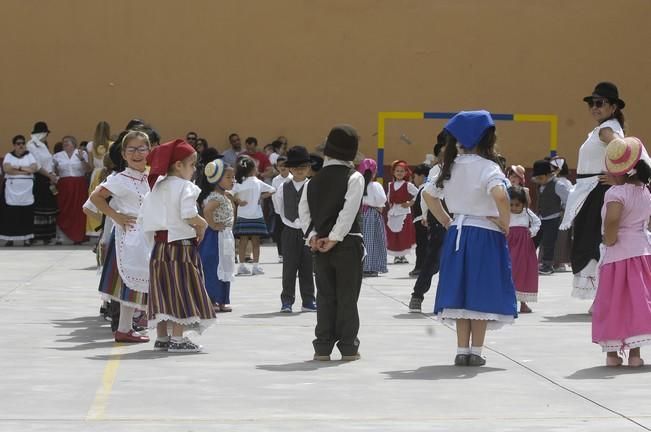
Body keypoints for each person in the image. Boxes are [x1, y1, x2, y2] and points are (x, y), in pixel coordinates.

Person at [423, 110, 516, 367]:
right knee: (481, 290)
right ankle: (477, 351)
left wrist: (445, 220)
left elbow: (429, 196)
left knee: (460, 291)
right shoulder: (489, 167)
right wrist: (505, 221)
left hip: (457, 233)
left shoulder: (447, 167)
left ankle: (461, 349)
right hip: (485, 233)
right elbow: (499, 195)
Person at [140, 139, 215, 353]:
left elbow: (144, 218)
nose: (194, 170)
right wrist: (202, 224)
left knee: (162, 291)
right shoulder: (186, 187)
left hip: (160, 249)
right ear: (179, 165)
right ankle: (179, 339)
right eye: (192, 165)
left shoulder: (155, 188)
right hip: (181, 248)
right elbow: (189, 213)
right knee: (182, 289)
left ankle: (162, 337)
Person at [299, 124, 364, 361]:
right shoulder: (354, 177)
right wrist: (335, 238)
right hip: (347, 244)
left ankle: (322, 347)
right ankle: (348, 347)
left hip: (319, 246)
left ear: (326, 152)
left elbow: (303, 213)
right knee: (347, 297)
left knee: (325, 296)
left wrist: (313, 237)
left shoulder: (311, 182)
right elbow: (348, 212)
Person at [561, 82, 626, 301]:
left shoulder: (607, 130)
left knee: (592, 243)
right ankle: (601, 296)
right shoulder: (601, 129)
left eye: (600, 103)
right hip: (588, 191)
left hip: (597, 191)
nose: (594, 107)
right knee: (588, 241)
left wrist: (621, 177)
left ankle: (603, 296)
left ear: (613, 107)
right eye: (592, 103)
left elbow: (624, 149)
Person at [592, 137, 651, 368]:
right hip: (642, 253)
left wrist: (609, 239)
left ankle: (612, 355)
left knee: (614, 301)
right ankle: (635, 354)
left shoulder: (616, 193)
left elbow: (613, 220)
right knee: (637, 301)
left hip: (618, 254)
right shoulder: (646, 192)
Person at [89, 130, 152, 343]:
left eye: (141, 149)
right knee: (129, 281)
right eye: (131, 149)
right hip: (128, 236)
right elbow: (96, 198)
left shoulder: (150, 176)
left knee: (138, 281)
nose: (137, 154)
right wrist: (116, 216)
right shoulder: (120, 179)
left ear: (148, 151)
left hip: (146, 234)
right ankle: (125, 328)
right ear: (124, 154)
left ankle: (127, 327)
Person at [408, 137, 448, 313]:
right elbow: (426, 193)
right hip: (438, 218)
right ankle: (417, 295)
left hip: (459, 217)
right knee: (433, 260)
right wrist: (425, 214)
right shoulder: (435, 171)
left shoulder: (463, 171)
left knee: (455, 262)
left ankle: (449, 300)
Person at [276, 146, 316, 313]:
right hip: (290, 230)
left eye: (304, 167)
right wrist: (291, 222)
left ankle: (308, 301)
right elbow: (279, 208)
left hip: (309, 232)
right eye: (296, 168)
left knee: (308, 267)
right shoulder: (283, 187)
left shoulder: (313, 185)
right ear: (290, 168)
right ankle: (287, 301)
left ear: (309, 168)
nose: (300, 171)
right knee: (289, 268)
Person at [199, 159, 236, 313]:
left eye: (233, 177)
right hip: (214, 237)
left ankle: (222, 299)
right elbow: (207, 211)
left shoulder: (225, 195)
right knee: (213, 267)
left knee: (226, 266)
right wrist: (213, 225)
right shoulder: (216, 198)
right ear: (216, 179)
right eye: (228, 177)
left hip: (225, 236)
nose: (233, 180)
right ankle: (212, 299)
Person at [232, 155, 275, 275]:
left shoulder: (239, 182)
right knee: (256, 242)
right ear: (252, 170)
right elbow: (272, 190)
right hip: (256, 215)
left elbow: (230, 193)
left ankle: (241, 266)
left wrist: (239, 201)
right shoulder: (258, 182)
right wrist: (261, 196)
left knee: (242, 242)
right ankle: (256, 266)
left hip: (243, 215)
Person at [531, 159, 570, 275]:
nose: (538, 181)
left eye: (541, 178)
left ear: (549, 175)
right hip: (541, 217)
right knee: (534, 240)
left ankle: (547, 265)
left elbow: (568, 199)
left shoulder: (558, 185)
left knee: (549, 242)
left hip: (553, 218)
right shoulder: (540, 185)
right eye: (537, 178)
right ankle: (528, 261)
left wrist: (563, 211)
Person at [0, 135, 39, 246]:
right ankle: (10, 238)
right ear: (14, 145)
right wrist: (25, 171)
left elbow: (34, 168)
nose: (21, 145)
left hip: (27, 190)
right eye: (18, 143)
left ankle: (26, 238)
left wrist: (17, 168)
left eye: (22, 143)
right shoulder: (9, 156)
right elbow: (7, 169)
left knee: (26, 214)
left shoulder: (29, 155)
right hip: (11, 189)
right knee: (11, 214)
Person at [507, 186, 541, 313]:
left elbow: (537, 223)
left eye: (517, 205)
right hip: (509, 246)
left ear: (523, 204)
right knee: (511, 272)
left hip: (524, 248)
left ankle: (523, 303)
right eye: (511, 204)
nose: (514, 208)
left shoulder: (527, 213)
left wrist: (531, 232)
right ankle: (510, 302)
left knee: (523, 272)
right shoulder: (505, 212)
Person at [53, 135, 91, 244]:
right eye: (63, 142)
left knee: (79, 210)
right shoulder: (57, 156)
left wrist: (82, 159)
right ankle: (63, 236)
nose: (65, 143)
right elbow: (54, 172)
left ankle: (78, 236)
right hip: (64, 185)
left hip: (79, 184)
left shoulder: (81, 153)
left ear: (73, 143)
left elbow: (88, 169)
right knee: (64, 209)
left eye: (67, 142)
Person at [26, 121, 58, 244]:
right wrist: (49, 175)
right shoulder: (31, 145)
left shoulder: (43, 145)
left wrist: (53, 175)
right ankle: (37, 236)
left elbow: (49, 161)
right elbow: (37, 164)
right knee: (39, 208)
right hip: (39, 178)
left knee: (48, 207)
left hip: (48, 178)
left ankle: (47, 236)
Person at [359, 158, 388, 277]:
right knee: (374, 240)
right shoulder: (376, 185)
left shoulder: (357, 185)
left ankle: (361, 265)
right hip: (372, 214)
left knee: (362, 241)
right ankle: (371, 267)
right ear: (374, 172)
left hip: (359, 214)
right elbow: (382, 201)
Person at [386, 160, 418, 264]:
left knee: (404, 234)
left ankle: (403, 255)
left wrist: (410, 203)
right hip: (394, 212)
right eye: (397, 171)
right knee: (394, 234)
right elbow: (388, 198)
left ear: (405, 173)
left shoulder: (407, 185)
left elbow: (419, 194)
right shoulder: (390, 185)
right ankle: (396, 256)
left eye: (402, 171)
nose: (399, 173)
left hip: (404, 212)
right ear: (394, 172)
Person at [86, 121, 113, 237]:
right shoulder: (111, 144)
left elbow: (90, 165)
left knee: (93, 200)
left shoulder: (91, 145)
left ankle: (93, 229)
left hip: (96, 173)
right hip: (107, 172)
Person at [550, 156, 573, 271]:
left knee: (559, 238)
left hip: (560, 213)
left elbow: (568, 199)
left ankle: (558, 262)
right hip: (560, 213)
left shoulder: (561, 183)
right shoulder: (563, 182)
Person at [409, 164, 431, 277]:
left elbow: (425, 205)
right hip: (421, 220)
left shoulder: (424, 189)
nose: (414, 180)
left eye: (415, 177)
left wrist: (424, 217)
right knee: (422, 245)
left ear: (422, 176)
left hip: (422, 221)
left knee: (422, 246)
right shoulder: (423, 188)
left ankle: (420, 267)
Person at [271, 155, 292, 263]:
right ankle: (281, 254)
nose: (282, 167)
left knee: (291, 233)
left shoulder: (293, 178)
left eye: (284, 165)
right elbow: (274, 196)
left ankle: (290, 253)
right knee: (279, 233)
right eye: (280, 166)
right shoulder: (275, 180)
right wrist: (277, 210)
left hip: (291, 211)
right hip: (279, 211)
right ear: (277, 167)